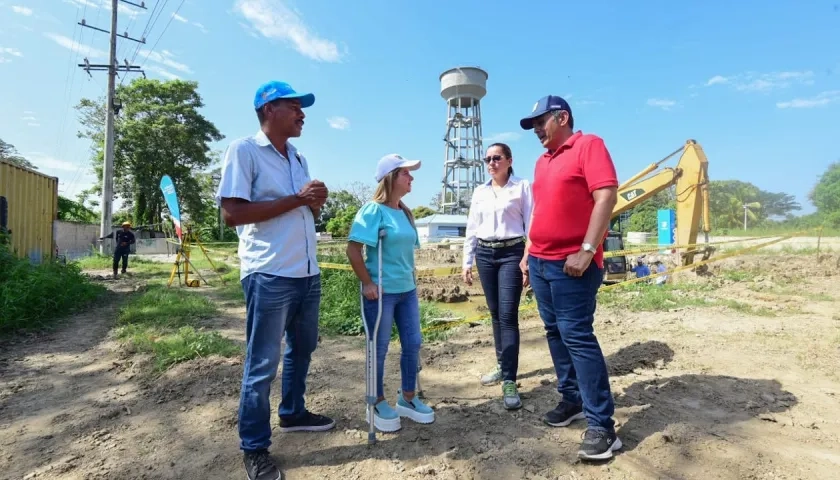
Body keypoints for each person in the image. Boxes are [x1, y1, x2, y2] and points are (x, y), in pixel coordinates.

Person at [215, 80, 333, 480]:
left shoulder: (298, 157)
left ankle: (293, 412)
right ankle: (254, 448)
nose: (303, 115)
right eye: (295, 107)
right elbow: (231, 213)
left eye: (303, 108)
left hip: (306, 271)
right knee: (261, 363)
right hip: (269, 273)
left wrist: (313, 202)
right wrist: (298, 200)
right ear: (269, 109)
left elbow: (304, 215)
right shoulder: (244, 150)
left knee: (302, 348)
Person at [518, 95, 623, 460]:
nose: (536, 130)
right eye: (531, 125)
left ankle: (602, 427)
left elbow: (606, 196)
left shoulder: (588, 145)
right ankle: (572, 400)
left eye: (540, 122)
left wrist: (588, 248)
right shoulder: (542, 162)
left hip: (571, 265)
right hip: (542, 263)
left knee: (577, 335)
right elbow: (542, 211)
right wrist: (529, 252)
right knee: (554, 332)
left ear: (562, 117)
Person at [345, 153, 435, 433]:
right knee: (379, 349)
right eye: (406, 173)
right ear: (391, 177)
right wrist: (368, 283)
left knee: (413, 343)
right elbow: (353, 249)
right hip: (381, 293)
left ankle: (407, 398)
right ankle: (376, 401)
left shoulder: (405, 212)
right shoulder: (373, 211)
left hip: (406, 290)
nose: (412, 178)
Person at [461, 142, 533, 410]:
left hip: (511, 253)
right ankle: (502, 365)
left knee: (507, 315)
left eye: (497, 158)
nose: (491, 163)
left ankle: (510, 380)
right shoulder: (480, 192)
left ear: (509, 160)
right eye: (487, 159)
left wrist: (528, 258)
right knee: (494, 313)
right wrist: (466, 261)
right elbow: (472, 227)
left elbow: (532, 223)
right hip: (485, 255)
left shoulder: (522, 187)